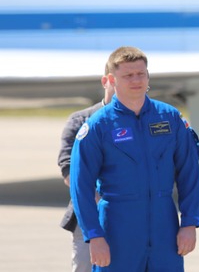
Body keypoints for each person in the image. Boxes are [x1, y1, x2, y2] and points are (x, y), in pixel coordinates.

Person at [70, 46, 199, 271]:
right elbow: (80, 186)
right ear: (112, 79)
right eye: (128, 75)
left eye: (141, 73)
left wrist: (189, 222)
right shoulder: (98, 126)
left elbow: (189, 174)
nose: (136, 80)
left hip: (164, 229)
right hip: (117, 230)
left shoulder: (170, 118)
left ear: (148, 76)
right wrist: (95, 236)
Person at [58, 63, 114, 272]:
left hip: (131, 214)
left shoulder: (144, 120)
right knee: (84, 266)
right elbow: (68, 171)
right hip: (88, 215)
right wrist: (101, 198)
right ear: (106, 81)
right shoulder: (81, 120)